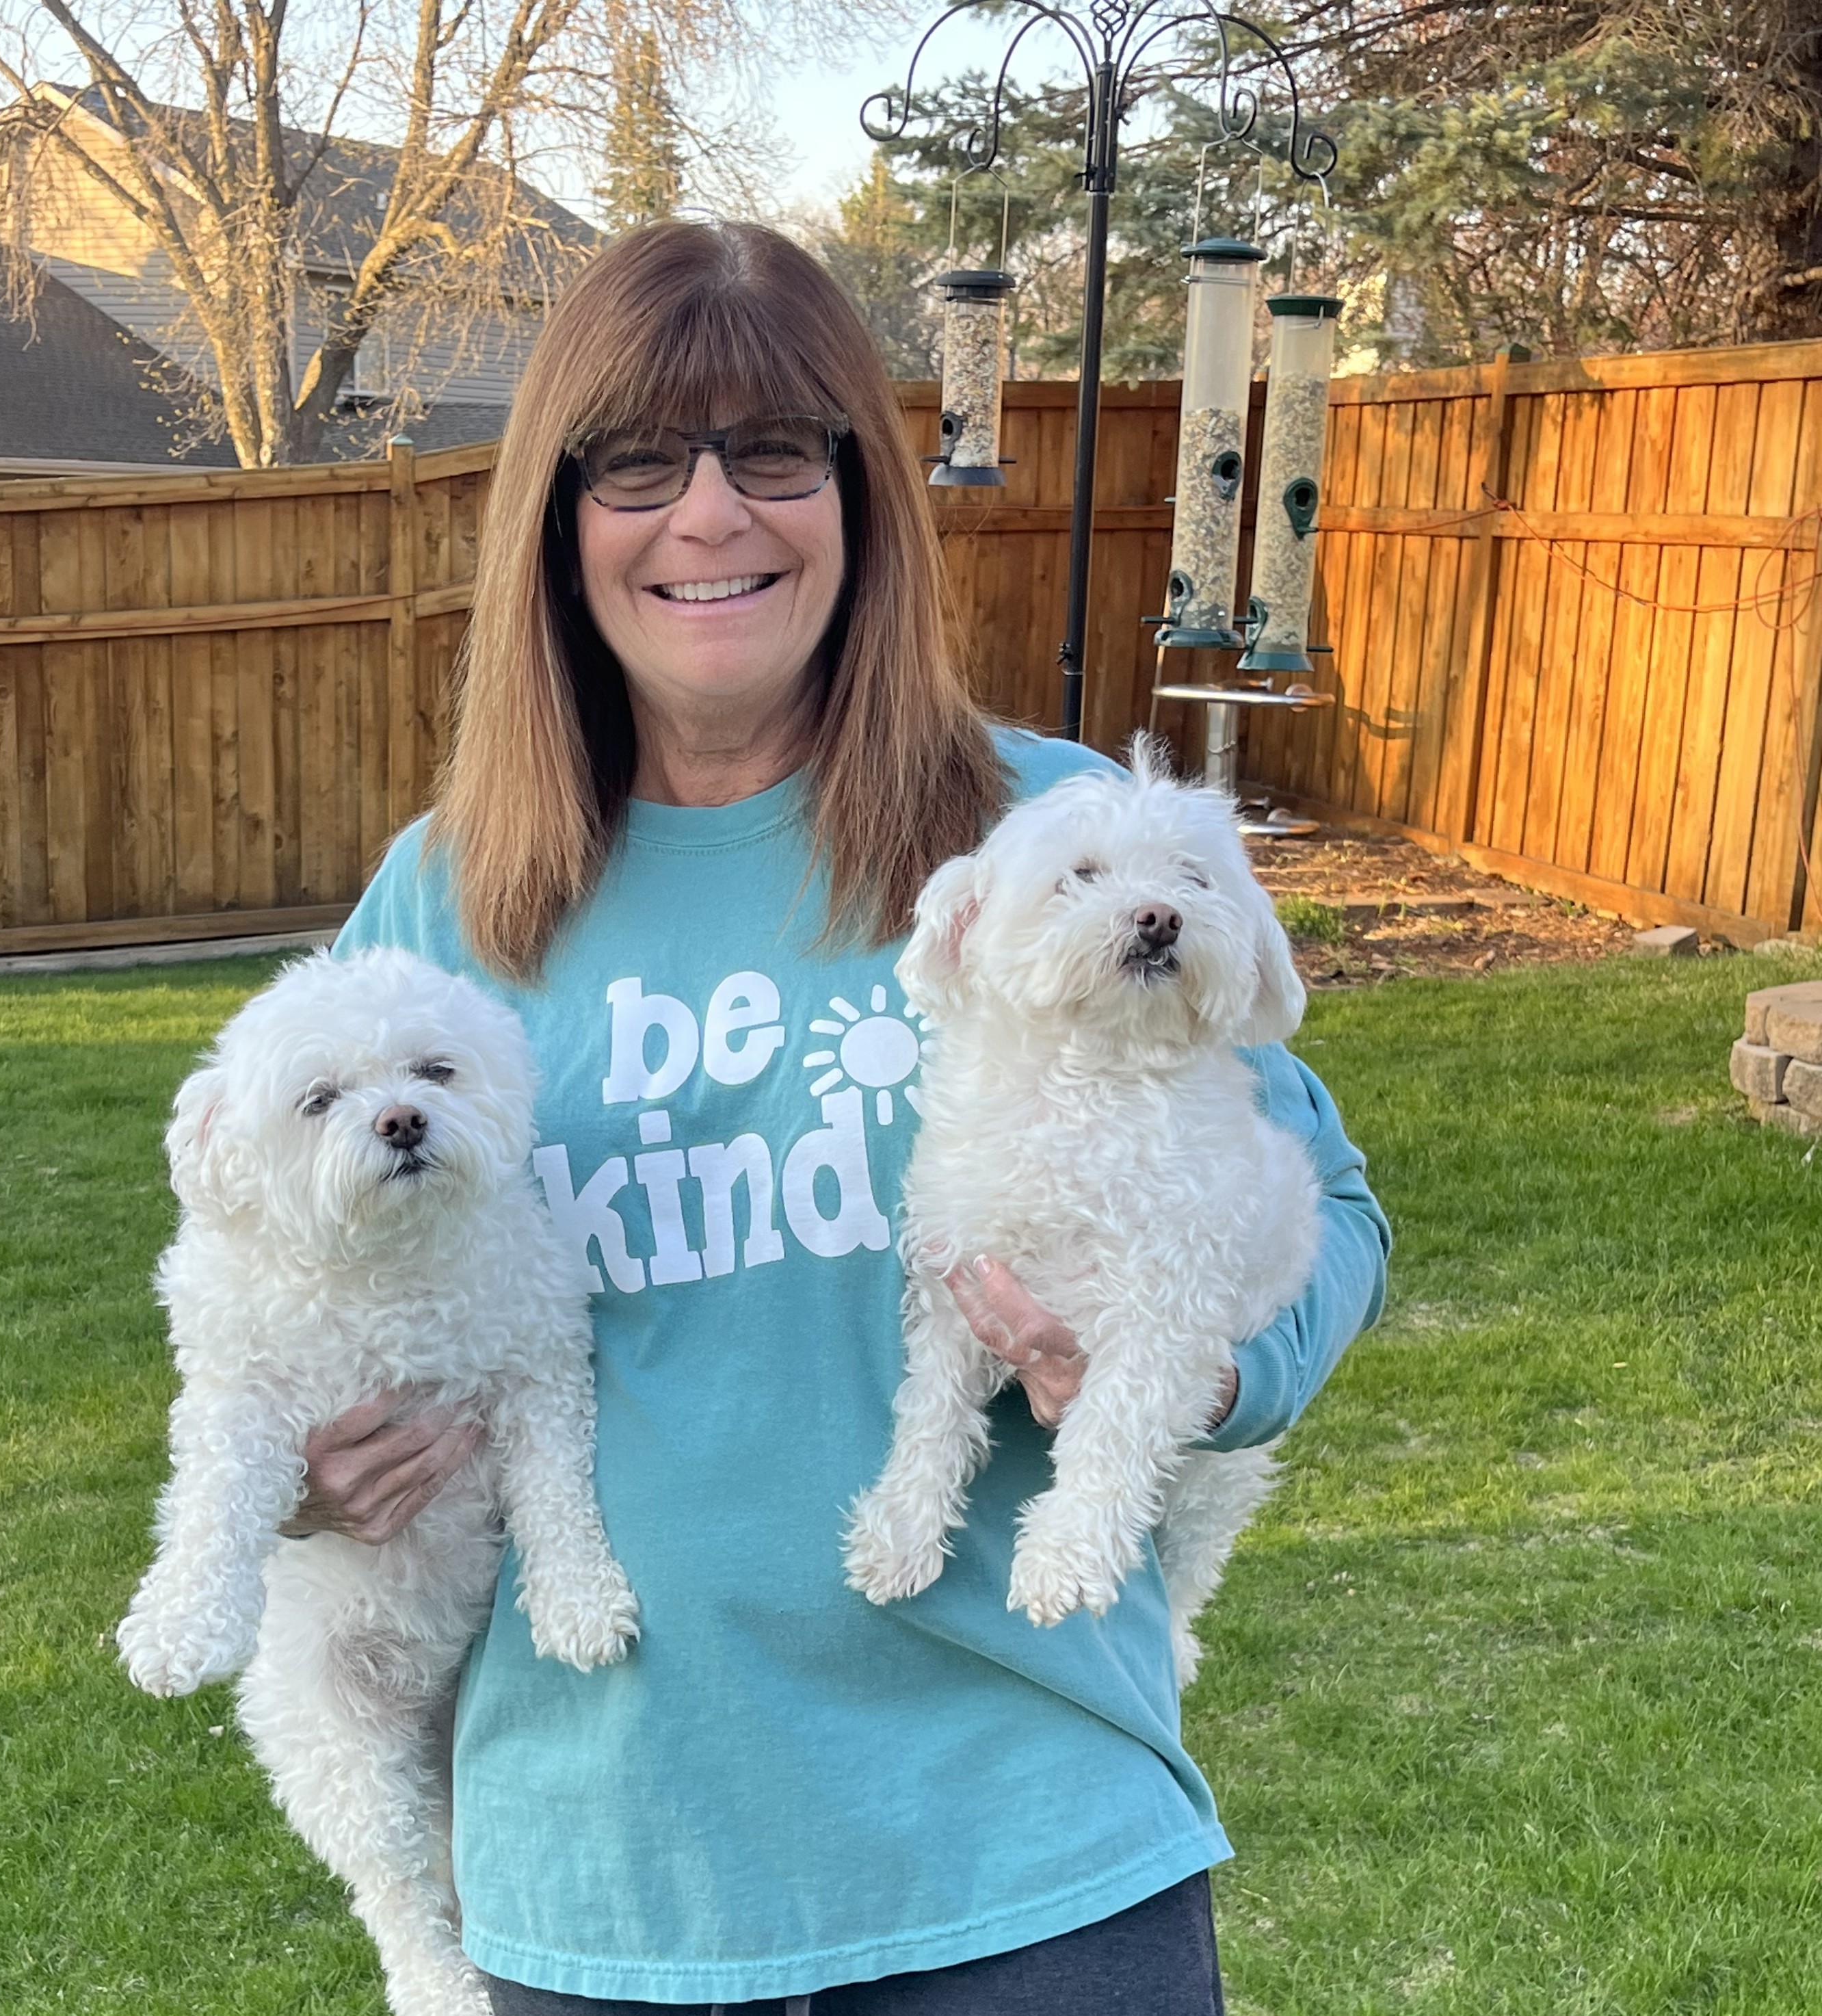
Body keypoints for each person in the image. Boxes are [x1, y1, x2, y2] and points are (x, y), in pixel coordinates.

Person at [291, 220, 1390, 2015]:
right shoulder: (445, 905)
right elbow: (275, 1261)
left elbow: (1331, 1204)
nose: (709, 516)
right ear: (558, 521)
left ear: (862, 495)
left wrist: (1200, 1374)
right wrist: (308, 1478)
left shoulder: (1063, 838)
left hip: (1023, 1854)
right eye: (640, 459)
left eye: (775, 451)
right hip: (607, 1877)